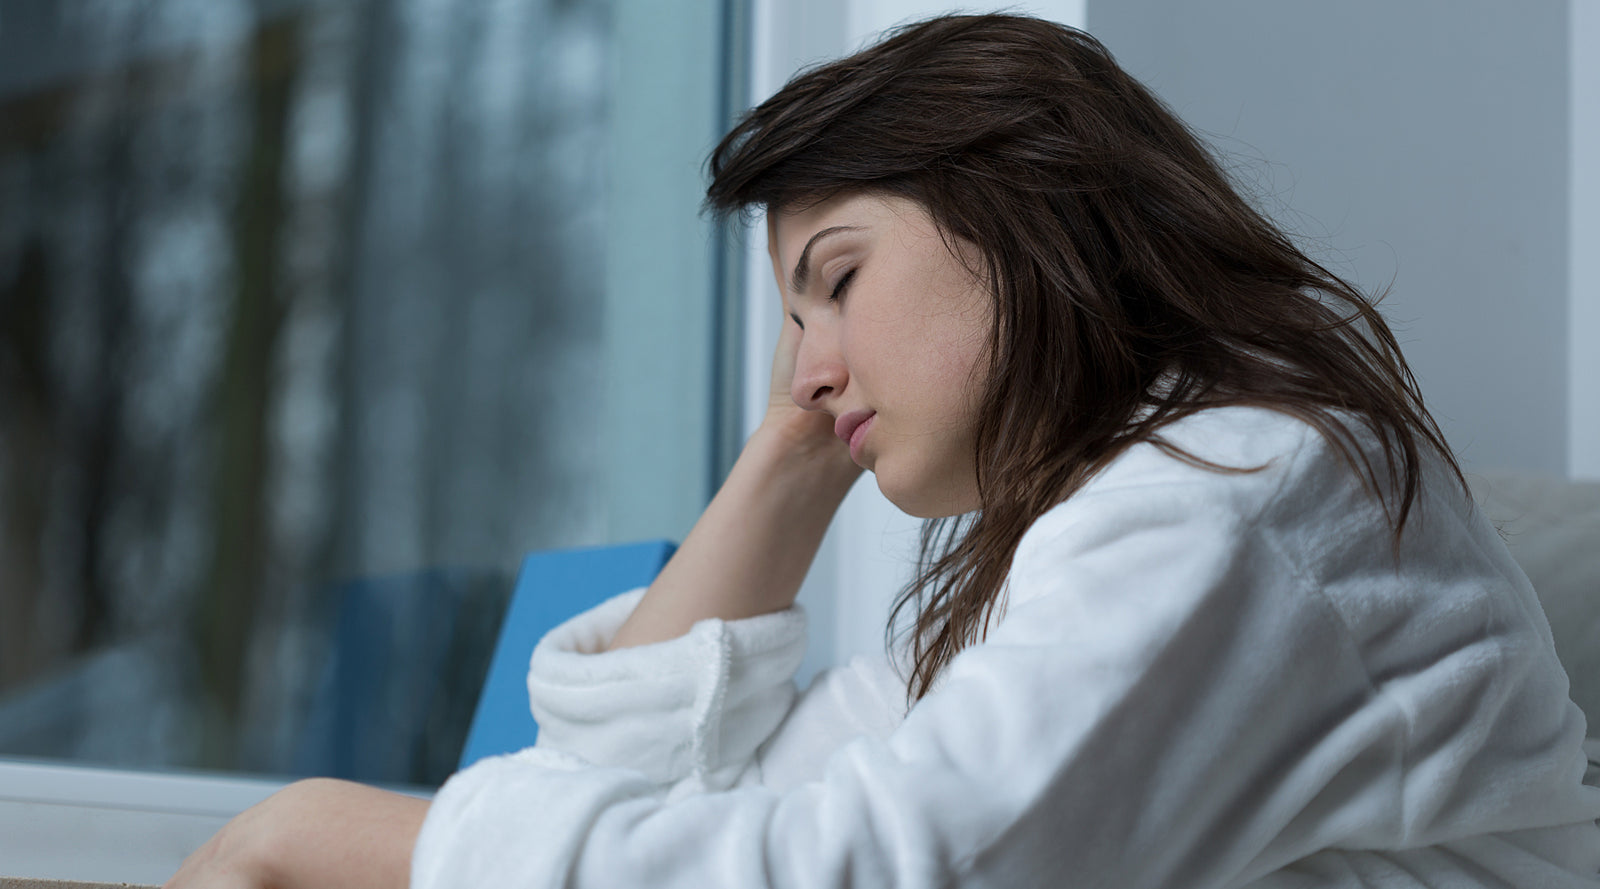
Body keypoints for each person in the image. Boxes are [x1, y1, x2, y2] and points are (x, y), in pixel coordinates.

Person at [165, 13, 1600, 888]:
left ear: (1028, 210)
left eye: (839, 278)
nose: (806, 369)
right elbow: (650, 796)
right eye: (794, 324)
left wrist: (317, 831)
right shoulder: (1066, 553)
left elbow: (881, 874)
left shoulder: (1241, 497)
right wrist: (798, 449)